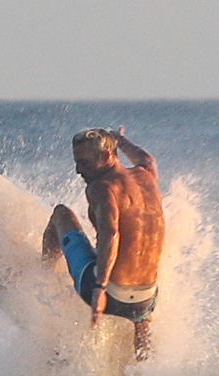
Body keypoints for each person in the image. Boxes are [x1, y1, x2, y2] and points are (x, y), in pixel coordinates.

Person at [42, 127, 164, 360]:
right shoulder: (147, 174)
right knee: (141, 314)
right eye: (76, 162)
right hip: (145, 300)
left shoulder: (102, 187)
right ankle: (146, 373)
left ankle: (40, 277)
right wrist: (119, 139)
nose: (78, 170)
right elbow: (147, 158)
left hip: (109, 294)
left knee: (60, 215)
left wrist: (99, 288)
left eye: (85, 163)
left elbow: (111, 234)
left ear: (107, 157)